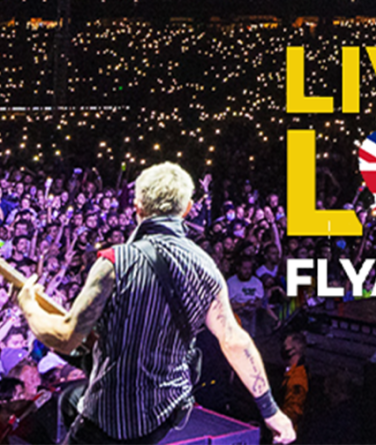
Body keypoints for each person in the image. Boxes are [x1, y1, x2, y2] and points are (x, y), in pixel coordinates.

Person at [14, 162, 295, 444]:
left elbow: (65, 338)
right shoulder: (206, 267)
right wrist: (271, 411)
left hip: (111, 414)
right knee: (71, 399)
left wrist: (29, 306)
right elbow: (234, 340)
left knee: (76, 408)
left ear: (137, 207)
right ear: (187, 210)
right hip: (164, 413)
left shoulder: (114, 262)